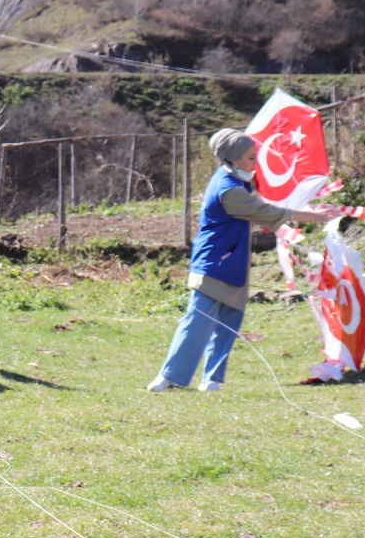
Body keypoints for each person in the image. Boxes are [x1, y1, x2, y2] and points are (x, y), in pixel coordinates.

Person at [147, 128, 344, 392]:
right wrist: (315, 215)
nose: (256, 163)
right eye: (251, 158)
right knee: (197, 320)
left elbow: (264, 203)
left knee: (228, 323)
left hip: (234, 262)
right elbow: (264, 211)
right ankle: (169, 377)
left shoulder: (235, 181)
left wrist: (305, 208)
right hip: (213, 263)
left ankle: (212, 380)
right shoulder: (228, 190)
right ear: (234, 159)